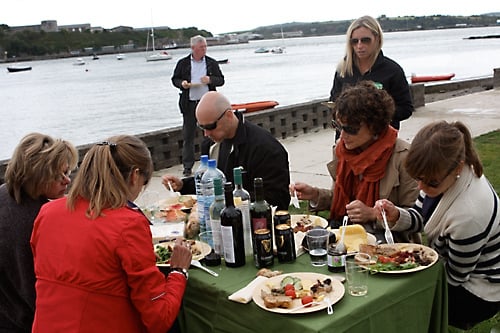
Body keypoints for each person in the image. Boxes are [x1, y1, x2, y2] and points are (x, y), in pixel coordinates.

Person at [30, 135, 193, 332]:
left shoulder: (47, 213)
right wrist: (178, 271)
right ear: (134, 175)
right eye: (144, 182)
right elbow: (159, 318)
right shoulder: (127, 224)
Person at [374, 121, 500, 330]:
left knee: (394, 303)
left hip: (479, 291)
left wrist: (411, 282)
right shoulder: (441, 172)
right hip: (455, 271)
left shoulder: (469, 215)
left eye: (430, 183)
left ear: (458, 167)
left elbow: (455, 277)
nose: (421, 187)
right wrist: (397, 215)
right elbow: (422, 217)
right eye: (417, 179)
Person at [291, 81, 419, 243]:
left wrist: (374, 214)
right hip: (347, 235)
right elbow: (341, 200)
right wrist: (315, 194)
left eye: (351, 130)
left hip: (390, 243)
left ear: (374, 126)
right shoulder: (343, 150)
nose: (343, 135)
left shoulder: (403, 156)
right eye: (338, 127)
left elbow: (417, 217)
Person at [0, 132, 78, 332]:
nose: (66, 181)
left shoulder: (4, 193)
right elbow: (38, 289)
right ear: (37, 175)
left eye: (67, 173)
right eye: (57, 176)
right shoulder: (40, 219)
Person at [162, 91, 291, 210]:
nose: (206, 133)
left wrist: (229, 201)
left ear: (229, 115)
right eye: (201, 127)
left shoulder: (265, 148)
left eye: (210, 126)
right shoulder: (210, 144)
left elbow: (278, 199)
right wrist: (183, 186)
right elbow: (211, 184)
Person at [329, 15, 413, 131]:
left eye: (365, 40)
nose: (359, 46)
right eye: (354, 41)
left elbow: (406, 109)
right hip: (346, 138)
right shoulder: (343, 70)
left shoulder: (392, 71)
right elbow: (334, 102)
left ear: (377, 39)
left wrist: (377, 114)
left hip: (380, 139)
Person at [172, 35, 225, 177]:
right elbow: (174, 79)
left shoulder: (211, 63)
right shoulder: (183, 63)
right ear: (193, 48)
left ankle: (209, 163)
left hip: (207, 104)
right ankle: (187, 167)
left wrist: (210, 80)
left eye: (205, 47)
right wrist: (182, 84)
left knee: (209, 135)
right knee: (188, 136)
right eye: (201, 47)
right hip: (189, 103)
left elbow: (221, 80)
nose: (204, 50)